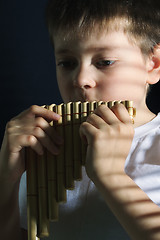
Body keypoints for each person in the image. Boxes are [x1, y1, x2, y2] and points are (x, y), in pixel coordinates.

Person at [0, 0, 160, 239]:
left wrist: (111, 176)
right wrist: (6, 179)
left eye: (105, 62)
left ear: (153, 65)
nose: (81, 79)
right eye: (67, 63)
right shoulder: (43, 146)